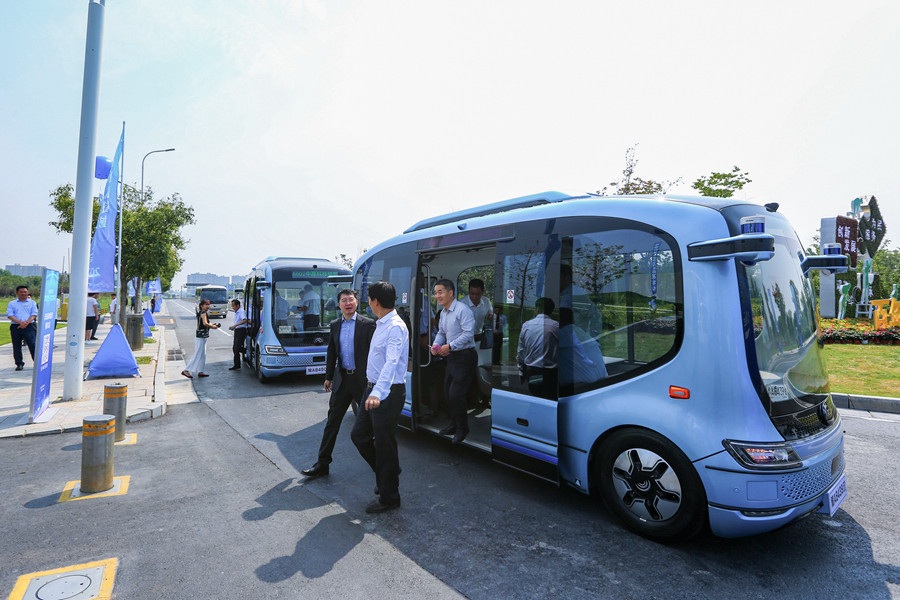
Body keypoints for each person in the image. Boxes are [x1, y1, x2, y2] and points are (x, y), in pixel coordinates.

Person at [301, 289, 376, 480]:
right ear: (339, 304)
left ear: (357, 302)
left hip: (362, 381)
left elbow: (375, 354)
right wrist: (328, 377)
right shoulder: (335, 325)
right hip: (342, 380)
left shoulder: (368, 325)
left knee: (374, 423)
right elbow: (332, 352)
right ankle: (322, 463)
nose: (348, 303)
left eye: (351, 299)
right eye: (344, 300)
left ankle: (381, 469)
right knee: (332, 422)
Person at [350, 281, 409, 513]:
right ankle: (388, 473)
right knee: (359, 435)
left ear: (375, 301)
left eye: (368, 299)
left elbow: (391, 363)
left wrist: (377, 393)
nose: (368, 303)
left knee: (384, 445)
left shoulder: (395, 327)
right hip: (372, 389)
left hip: (387, 392)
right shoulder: (381, 323)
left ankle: (390, 497)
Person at [430, 278, 477, 444]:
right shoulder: (443, 312)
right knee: (447, 393)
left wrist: (449, 346)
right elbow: (441, 332)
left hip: (465, 357)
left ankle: (463, 428)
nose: (437, 296)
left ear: (450, 293)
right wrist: (436, 345)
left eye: (440, 292)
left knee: (456, 394)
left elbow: (468, 334)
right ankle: (453, 424)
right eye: (435, 293)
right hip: (452, 357)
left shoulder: (463, 310)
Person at [517, 297, 559, 400]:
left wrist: (521, 371)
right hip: (551, 373)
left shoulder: (526, 325)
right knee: (550, 399)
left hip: (532, 371)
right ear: (551, 310)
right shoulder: (556, 326)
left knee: (535, 398)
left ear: (536, 309)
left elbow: (521, 350)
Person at [182, 299, 220, 379]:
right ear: (201, 306)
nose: (208, 306)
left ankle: (201, 371)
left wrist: (212, 325)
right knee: (198, 353)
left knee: (203, 355)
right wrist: (213, 327)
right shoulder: (203, 313)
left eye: (208, 304)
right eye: (206, 305)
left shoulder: (202, 312)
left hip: (203, 336)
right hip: (200, 337)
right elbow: (205, 323)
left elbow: (204, 324)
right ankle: (186, 370)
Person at [6, 285, 38, 371]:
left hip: (29, 326)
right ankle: (19, 363)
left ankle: (37, 363)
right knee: (16, 346)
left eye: (25, 292)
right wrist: (20, 322)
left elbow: (34, 314)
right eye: (21, 292)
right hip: (16, 327)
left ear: (28, 292)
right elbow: (10, 315)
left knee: (33, 345)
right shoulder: (12, 303)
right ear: (17, 293)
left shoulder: (32, 303)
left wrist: (26, 323)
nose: (23, 293)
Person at [228, 299, 250, 370]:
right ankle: (237, 364)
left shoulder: (241, 311)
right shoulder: (237, 312)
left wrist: (235, 325)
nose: (233, 308)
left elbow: (245, 320)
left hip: (241, 330)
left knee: (236, 348)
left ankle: (249, 351)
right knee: (235, 348)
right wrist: (234, 327)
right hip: (237, 330)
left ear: (238, 305)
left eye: (233, 306)